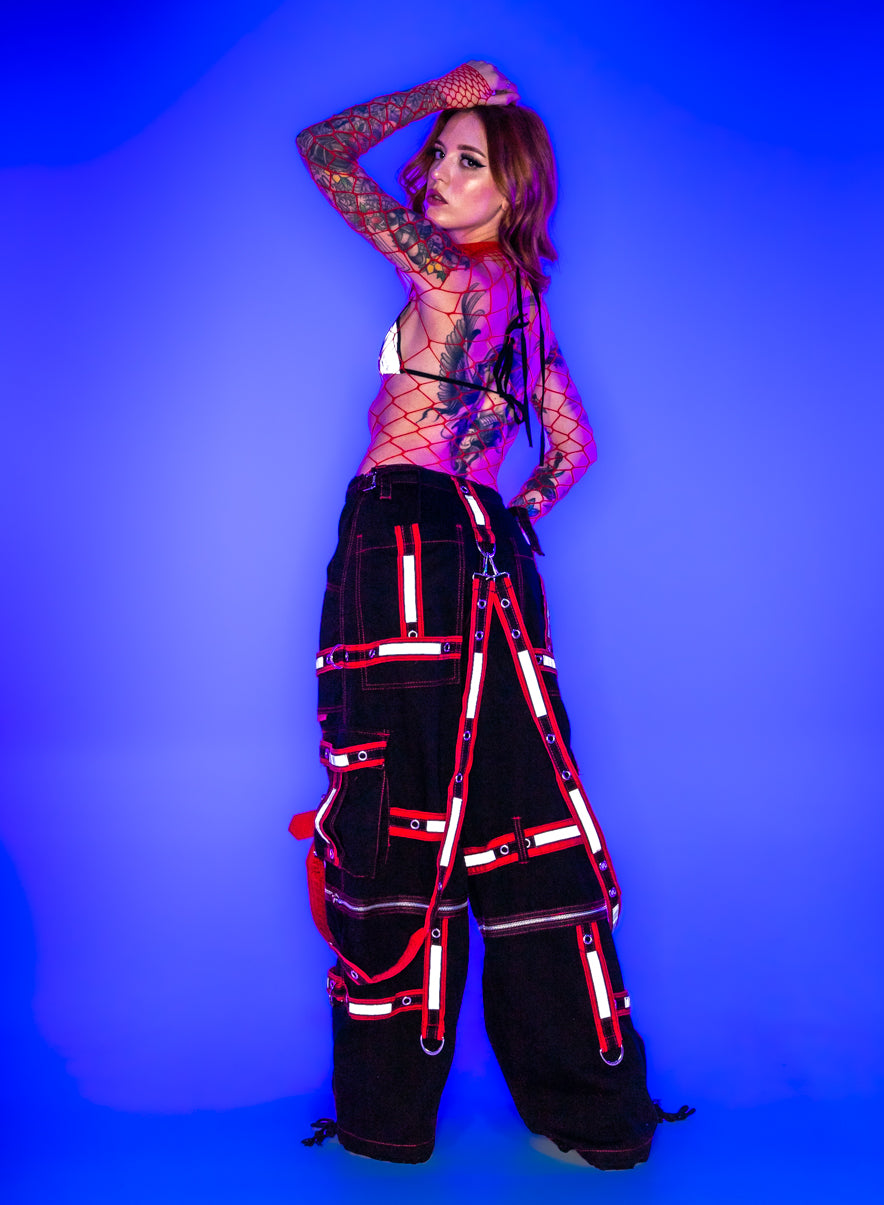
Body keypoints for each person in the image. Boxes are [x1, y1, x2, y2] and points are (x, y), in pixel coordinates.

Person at [289, 60, 691, 1170]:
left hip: (403, 542)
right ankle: (592, 1116)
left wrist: (434, 92)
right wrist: (505, 518)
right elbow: (573, 448)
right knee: (520, 813)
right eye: (438, 155)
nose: (435, 173)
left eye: (467, 160)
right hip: (487, 554)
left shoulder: (444, 274)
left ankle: (387, 1122)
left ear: (512, 189)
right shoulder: (527, 308)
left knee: (395, 800)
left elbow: (322, 153)